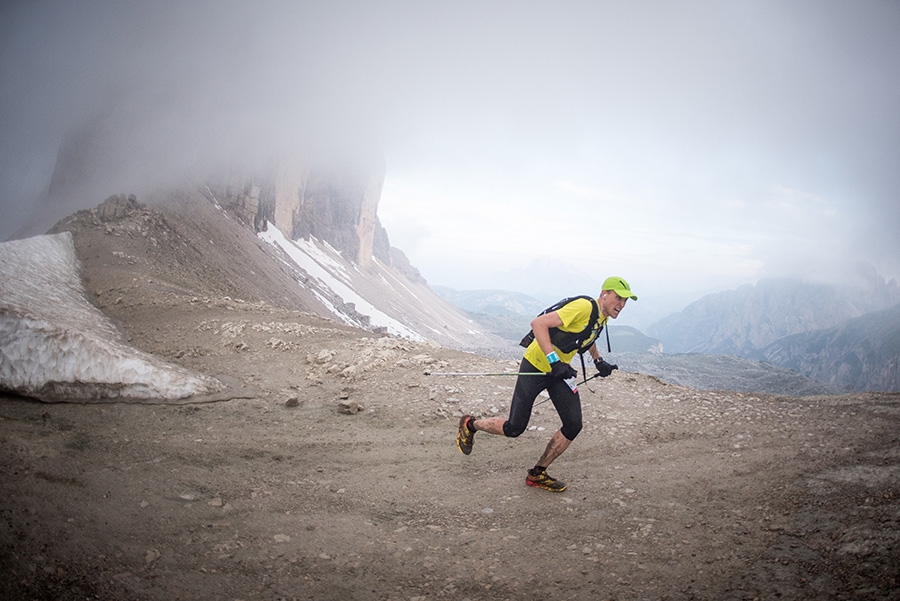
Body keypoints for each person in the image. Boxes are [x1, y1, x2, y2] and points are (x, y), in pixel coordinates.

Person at [455, 276, 637, 492]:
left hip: (559, 371)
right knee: (515, 427)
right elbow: (538, 324)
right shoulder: (583, 307)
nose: (622, 304)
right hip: (537, 365)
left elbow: (587, 334)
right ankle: (470, 424)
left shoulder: (602, 316)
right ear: (604, 294)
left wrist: (598, 361)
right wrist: (554, 361)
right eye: (618, 298)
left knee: (573, 425)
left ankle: (537, 473)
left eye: (625, 300)